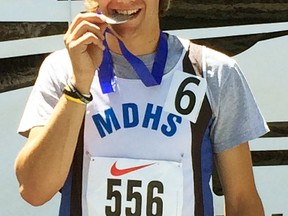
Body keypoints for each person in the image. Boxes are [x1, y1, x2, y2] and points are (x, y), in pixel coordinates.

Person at [15, 0, 269, 215]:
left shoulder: (211, 72)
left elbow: (242, 202)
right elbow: (34, 191)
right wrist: (79, 86)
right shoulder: (63, 69)